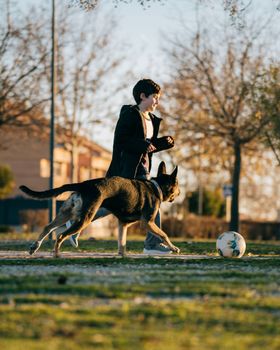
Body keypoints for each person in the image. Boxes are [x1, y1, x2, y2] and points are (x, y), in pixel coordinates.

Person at [69, 78, 175, 254]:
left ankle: (152, 245)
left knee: (152, 204)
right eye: (155, 97)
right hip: (126, 171)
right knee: (110, 205)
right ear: (143, 96)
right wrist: (142, 144)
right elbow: (121, 140)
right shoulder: (130, 115)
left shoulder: (152, 120)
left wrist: (164, 143)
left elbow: (149, 146)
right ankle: (76, 223)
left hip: (144, 171)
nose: (157, 101)